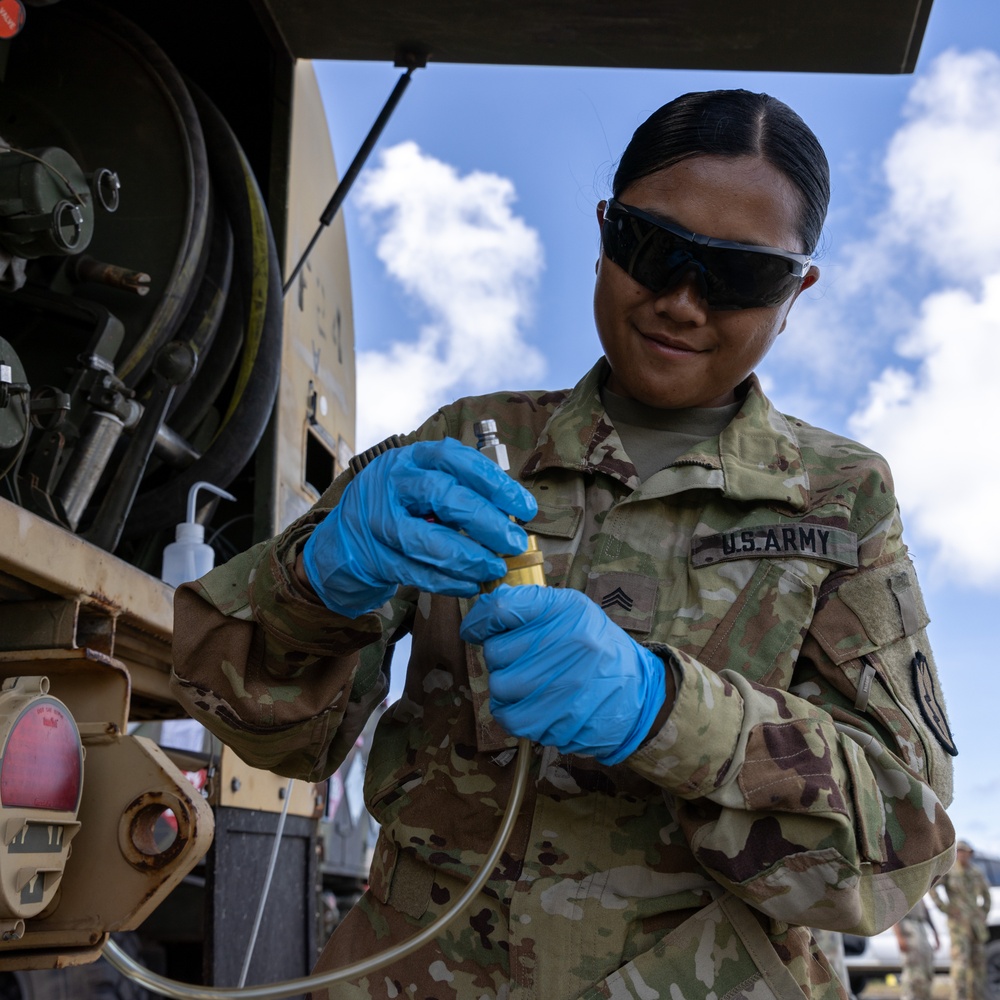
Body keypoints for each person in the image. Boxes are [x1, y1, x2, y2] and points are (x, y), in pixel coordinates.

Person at [170, 89, 958, 1000]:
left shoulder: (841, 498)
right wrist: (319, 579)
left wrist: (663, 712)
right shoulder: (468, 444)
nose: (681, 302)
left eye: (739, 276)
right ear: (604, 231)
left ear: (796, 293)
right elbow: (253, 725)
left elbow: (900, 841)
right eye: (651, 248)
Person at [931, 840, 991, 1000]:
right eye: (961, 852)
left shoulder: (976, 872)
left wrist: (982, 913)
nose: (964, 855)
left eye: (967, 852)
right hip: (958, 926)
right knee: (960, 965)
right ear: (956, 853)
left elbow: (986, 896)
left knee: (979, 965)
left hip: (975, 926)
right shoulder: (950, 871)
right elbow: (933, 888)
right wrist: (945, 908)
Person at [893, 898, 940, 1000]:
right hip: (908, 926)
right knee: (912, 970)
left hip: (921, 926)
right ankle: (908, 996)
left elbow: (925, 910)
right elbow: (893, 913)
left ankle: (923, 996)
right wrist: (899, 936)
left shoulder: (919, 891)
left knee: (926, 969)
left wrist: (935, 932)